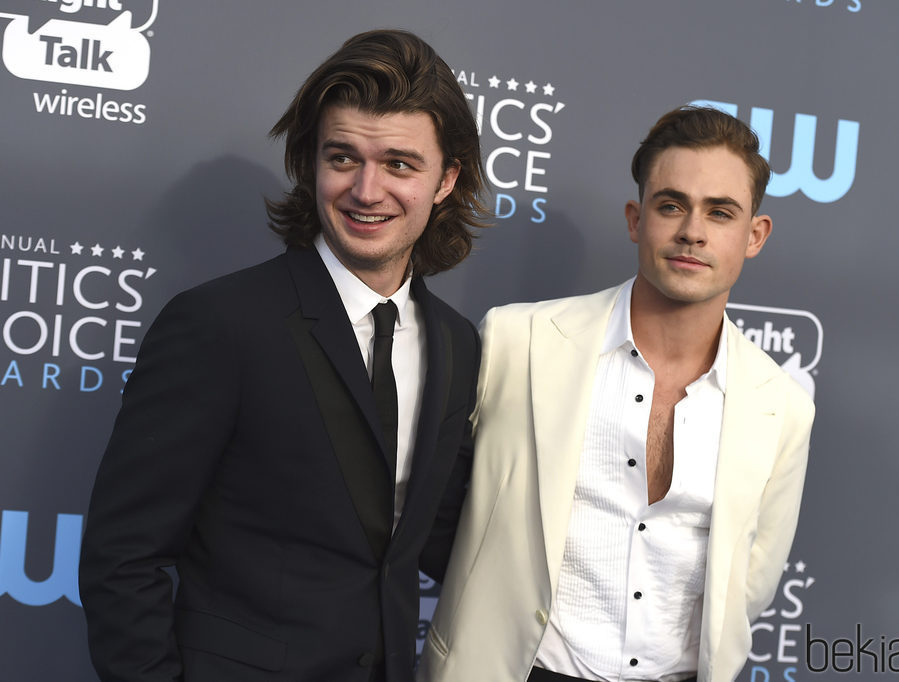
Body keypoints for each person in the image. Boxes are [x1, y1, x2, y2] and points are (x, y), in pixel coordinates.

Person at [78, 29, 487, 682]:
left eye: (400, 165)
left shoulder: (457, 344)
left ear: (447, 179)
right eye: (343, 157)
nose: (366, 190)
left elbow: (442, 539)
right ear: (310, 163)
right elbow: (122, 556)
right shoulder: (219, 324)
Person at [418, 106, 815, 682]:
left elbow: (750, 583)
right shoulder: (518, 340)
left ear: (755, 235)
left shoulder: (782, 406)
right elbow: (438, 514)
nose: (692, 232)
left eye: (720, 212)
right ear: (636, 219)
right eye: (671, 205)